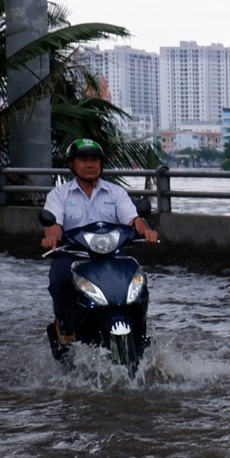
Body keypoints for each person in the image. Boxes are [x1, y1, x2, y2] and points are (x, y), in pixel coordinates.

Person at [41, 138, 159, 337]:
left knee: (138, 278)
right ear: (72, 164)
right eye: (84, 160)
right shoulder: (59, 195)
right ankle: (66, 329)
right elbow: (53, 224)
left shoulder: (115, 192)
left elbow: (133, 218)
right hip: (73, 256)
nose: (90, 165)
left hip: (112, 255)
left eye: (95, 160)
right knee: (60, 278)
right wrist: (51, 238)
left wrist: (145, 230)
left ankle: (140, 331)